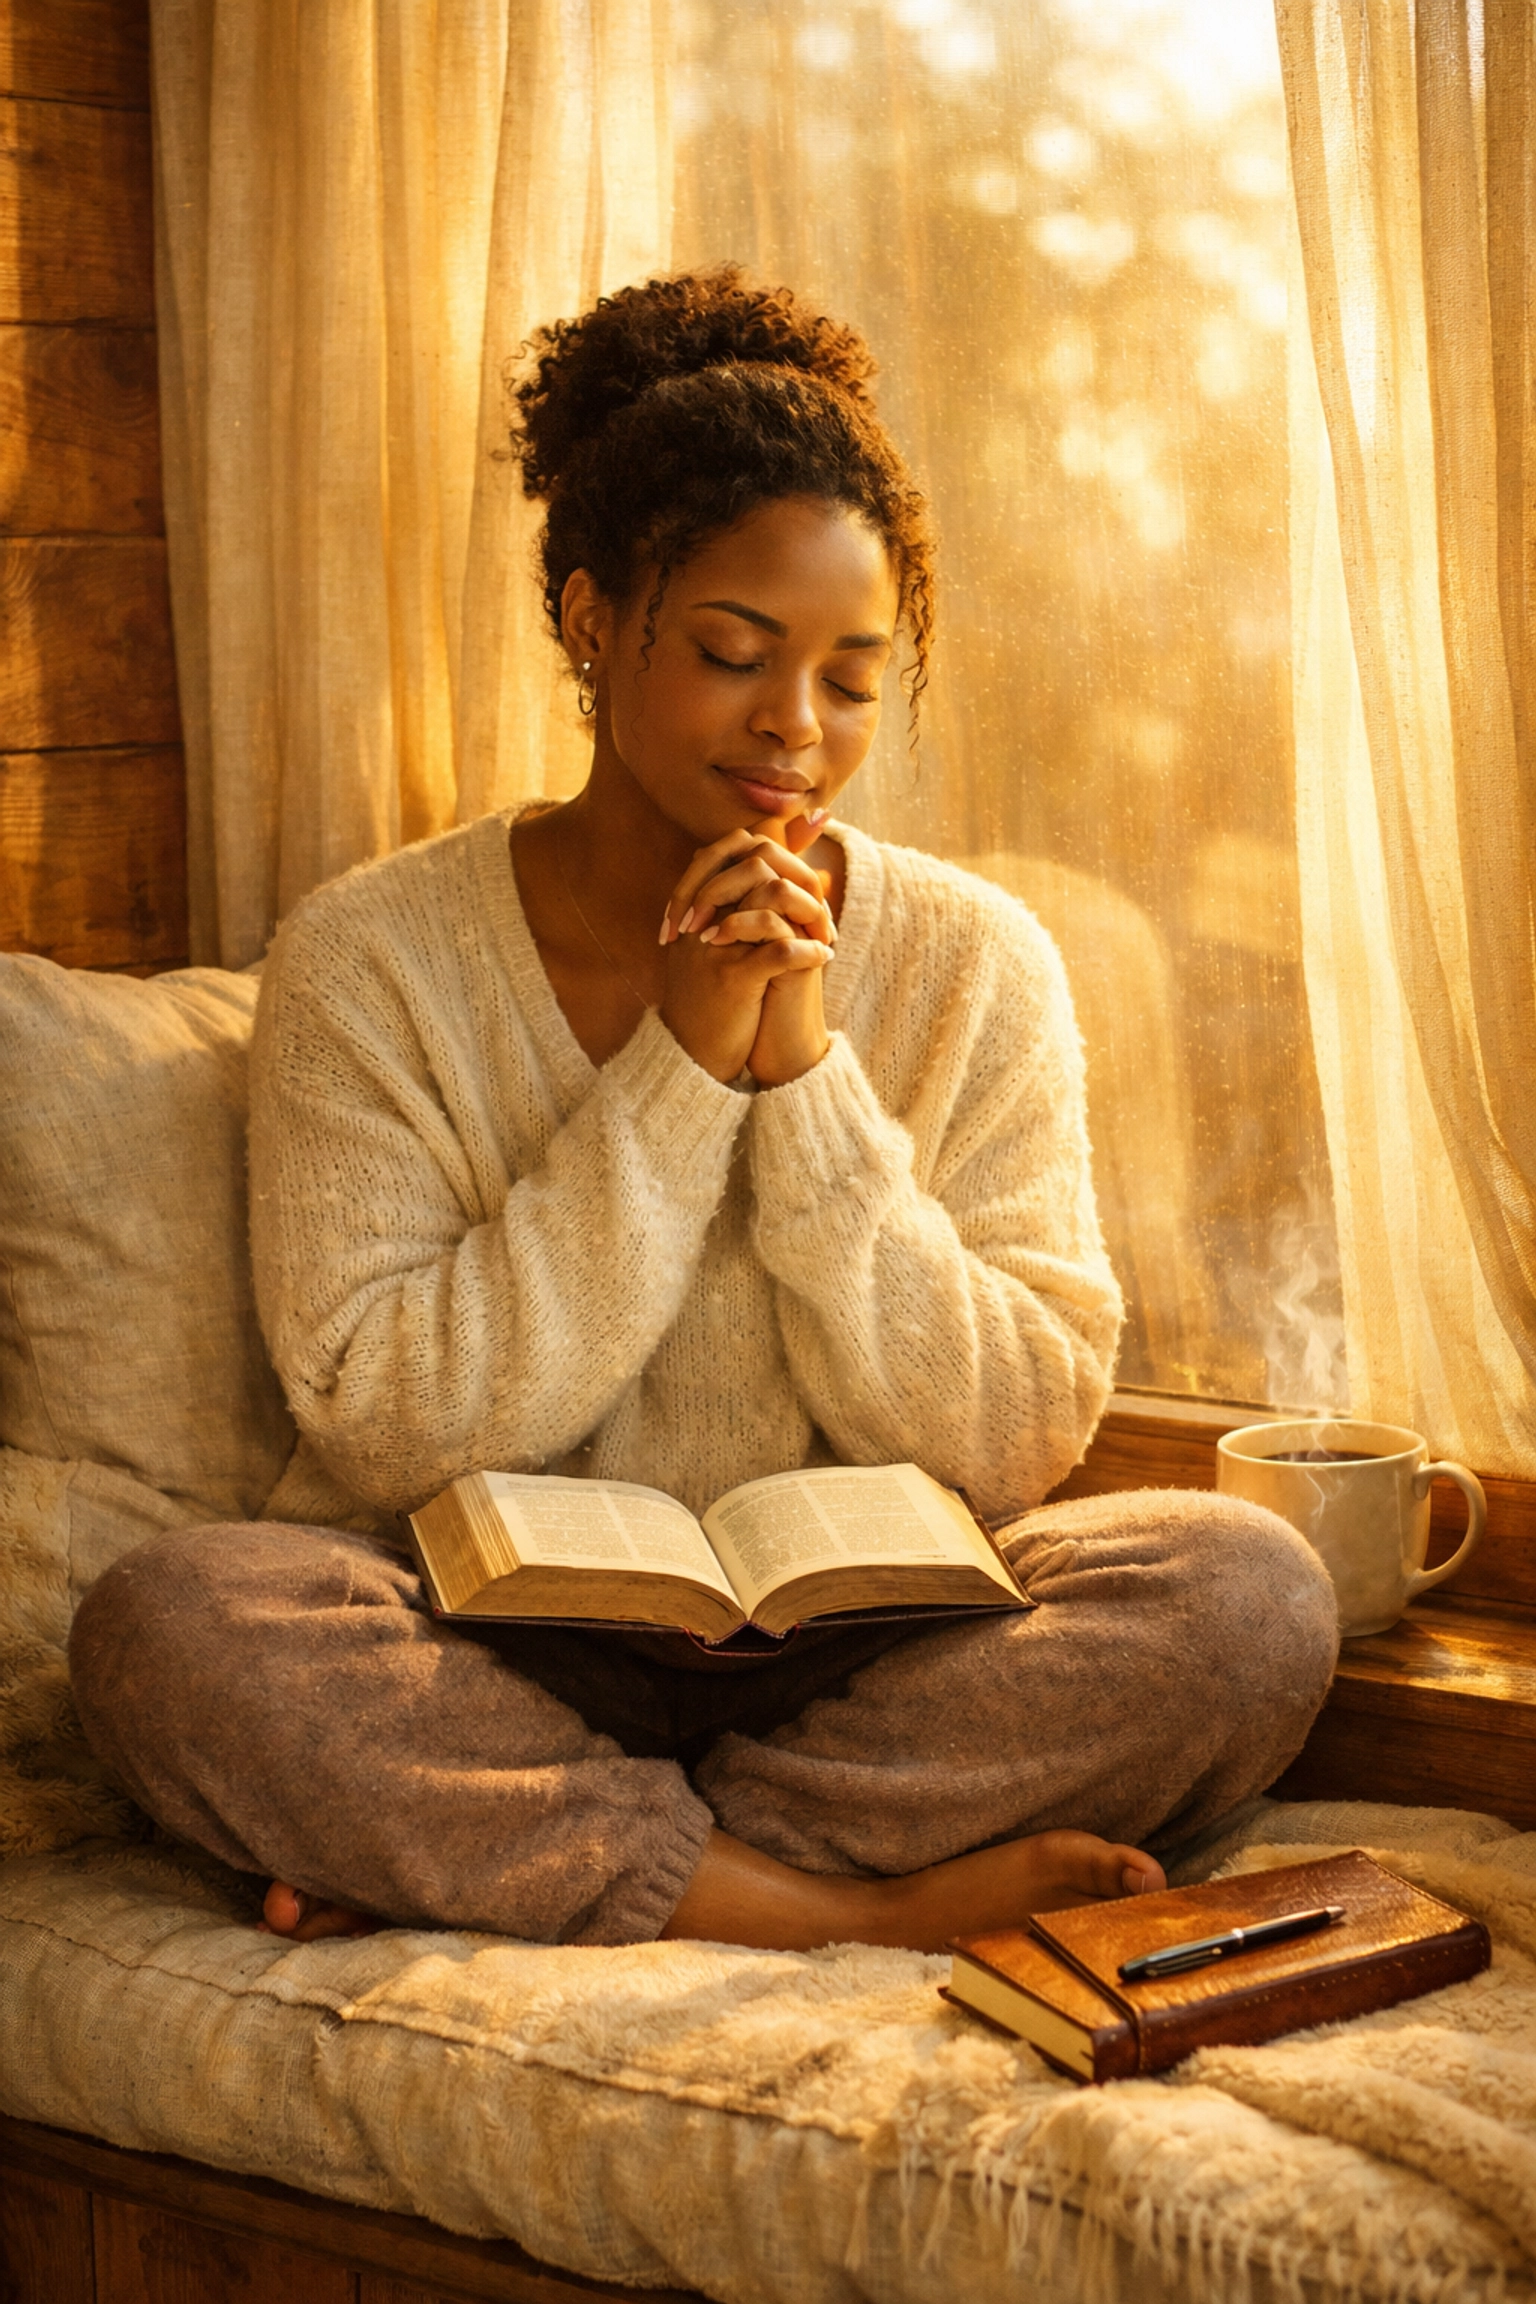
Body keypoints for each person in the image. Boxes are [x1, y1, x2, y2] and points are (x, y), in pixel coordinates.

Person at [69, 270, 1337, 1954]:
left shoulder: (978, 963)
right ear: (596, 621)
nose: (793, 733)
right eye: (737, 656)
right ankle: (830, 1905)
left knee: (1247, 1597)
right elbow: (383, 1425)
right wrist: (673, 1078)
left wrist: (805, 1082)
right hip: (482, 1637)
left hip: (857, 1657)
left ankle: (529, 1852)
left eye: (853, 680)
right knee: (175, 1628)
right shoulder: (371, 957)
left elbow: (1020, 1435)